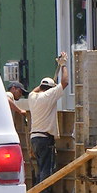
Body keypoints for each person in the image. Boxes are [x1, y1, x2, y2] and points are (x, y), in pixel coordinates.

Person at [28, 52, 69, 184]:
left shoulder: (32, 97)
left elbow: (37, 89)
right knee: (47, 168)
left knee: (40, 167)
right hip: (45, 139)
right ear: (50, 89)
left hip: (34, 138)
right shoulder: (48, 96)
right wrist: (63, 65)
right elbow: (65, 82)